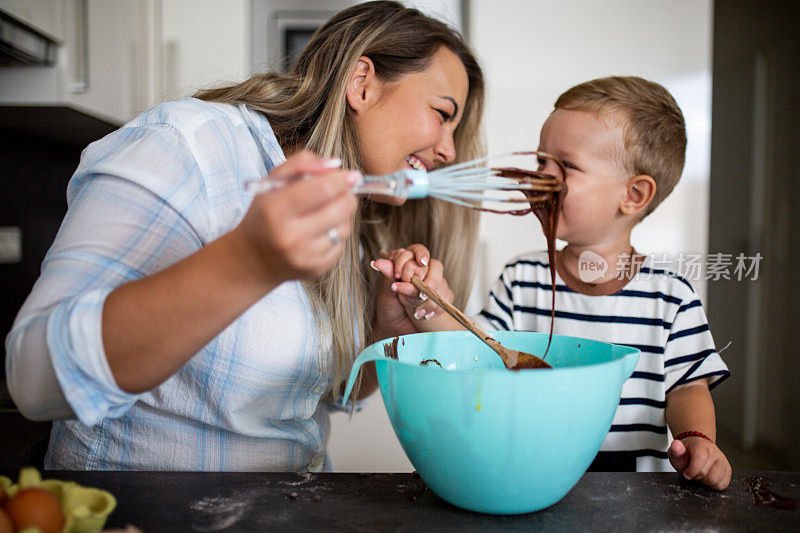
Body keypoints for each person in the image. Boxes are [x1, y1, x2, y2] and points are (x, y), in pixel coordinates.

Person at [5, 0, 485, 471]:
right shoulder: (188, 145)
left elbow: (318, 397)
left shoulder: (348, 214)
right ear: (362, 84)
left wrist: (381, 335)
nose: (448, 151)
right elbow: (35, 378)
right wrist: (248, 262)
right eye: (443, 114)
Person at [375, 76, 732, 490]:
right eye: (541, 161)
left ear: (633, 195)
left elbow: (687, 389)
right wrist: (428, 302)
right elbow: (481, 349)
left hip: (633, 497)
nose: (540, 176)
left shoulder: (670, 298)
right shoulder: (522, 280)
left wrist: (697, 440)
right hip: (530, 478)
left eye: (566, 166)